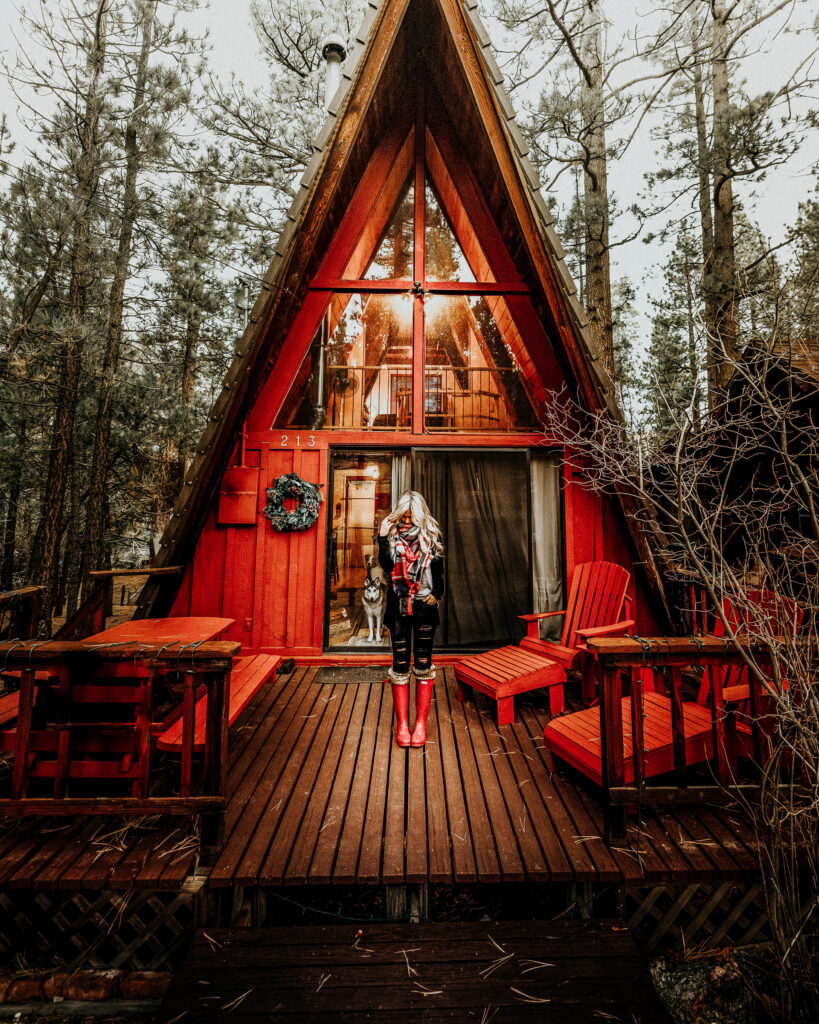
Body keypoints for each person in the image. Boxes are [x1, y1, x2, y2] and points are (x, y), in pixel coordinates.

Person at [378, 491, 444, 747]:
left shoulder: (431, 537)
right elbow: (386, 565)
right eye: (403, 516)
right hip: (399, 606)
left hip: (424, 605)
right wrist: (383, 535)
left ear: (419, 515)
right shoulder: (393, 537)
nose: (407, 520)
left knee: (424, 662)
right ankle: (403, 725)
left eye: (411, 516)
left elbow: (438, 571)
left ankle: (420, 724)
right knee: (400, 663)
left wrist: (436, 594)